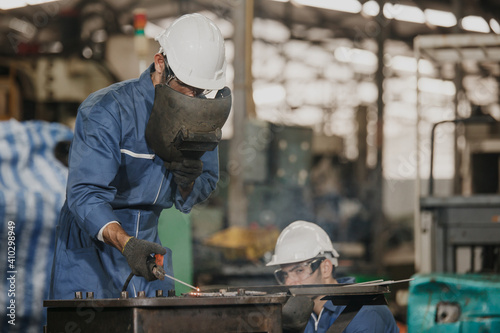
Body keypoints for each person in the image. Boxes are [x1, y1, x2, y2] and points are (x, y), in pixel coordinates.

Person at [49, 13, 227, 300]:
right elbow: (84, 194)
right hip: (94, 244)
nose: (194, 99)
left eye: (201, 90)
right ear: (160, 64)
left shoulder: (200, 115)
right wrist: (126, 244)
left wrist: (186, 181)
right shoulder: (107, 110)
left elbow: (204, 183)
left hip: (147, 243)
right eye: (187, 87)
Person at [267, 221, 399, 333]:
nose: (289, 282)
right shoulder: (304, 315)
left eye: (299, 270)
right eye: (285, 274)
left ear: (325, 268)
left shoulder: (364, 312)